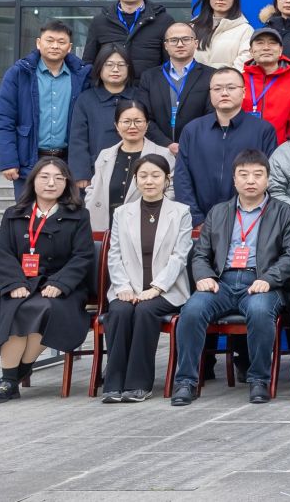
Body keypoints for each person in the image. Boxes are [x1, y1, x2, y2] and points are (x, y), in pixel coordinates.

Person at [169, 149, 290, 405]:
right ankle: (186, 381)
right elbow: (200, 253)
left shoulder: (285, 213)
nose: (250, 180)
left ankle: (259, 380)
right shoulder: (218, 212)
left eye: (257, 175)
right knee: (192, 310)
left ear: (267, 179)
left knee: (260, 311)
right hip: (222, 282)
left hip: (263, 283)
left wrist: (269, 279)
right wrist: (204, 276)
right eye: (243, 175)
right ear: (234, 180)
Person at [0, 159, 95, 404]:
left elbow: (83, 255)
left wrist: (61, 283)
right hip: (22, 283)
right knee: (15, 309)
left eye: (58, 178)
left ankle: (12, 377)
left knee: (43, 309)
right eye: (44, 177)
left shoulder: (78, 215)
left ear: (66, 183)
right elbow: (3, 251)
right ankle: (11, 378)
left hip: (62, 288)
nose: (51, 183)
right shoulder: (14, 214)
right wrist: (14, 283)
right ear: (33, 181)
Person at [98, 153, 191, 402]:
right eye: (143, 176)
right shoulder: (122, 213)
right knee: (119, 311)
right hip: (127, 288)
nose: (149, 181)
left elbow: (179, 256)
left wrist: (156, 288)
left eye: (155, 175)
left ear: (167, 179)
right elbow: (114, 254)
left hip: (167, 290)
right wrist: (123, 286)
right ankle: (113, 384)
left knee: (144, 310)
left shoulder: (181, 212)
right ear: (136, 179)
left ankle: (139, 384)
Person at [0, 22, 90, 197]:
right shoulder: (19, 73)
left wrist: (84, 166)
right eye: (50, 40)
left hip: (69, 161)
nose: (55, 46)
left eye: (61, 42)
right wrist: (8, 160)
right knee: (28, 212)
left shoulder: (82, 76)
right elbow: (4, 120)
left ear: (69, 47)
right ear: (39, 43)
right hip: (29, 160)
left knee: (70, 212)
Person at [172, 67, 277, 224]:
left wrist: (251, 217)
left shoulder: (263, 130)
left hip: (249, 221)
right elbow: (182, 178)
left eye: (231, 87)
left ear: (244, 92)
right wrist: (196, 219)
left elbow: (270, 177)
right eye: (217, 89)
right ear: (210, 93)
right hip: (201, 222)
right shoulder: (192, 130)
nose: (224, 93)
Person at [83, 100, 171, 233]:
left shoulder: (164, 154)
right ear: (116, 125)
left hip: (146, 228)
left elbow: (170, 190)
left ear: (147, 124)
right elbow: (94, 188)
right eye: (126, 121)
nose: (132, 126)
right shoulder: (105, 155)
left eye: (138, 121)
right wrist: (90, 203)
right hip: (105, 228)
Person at [83, 0, 173, 79]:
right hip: (109, 89)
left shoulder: (163, 21)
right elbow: (88, 63)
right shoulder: (100, 21)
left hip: (148, 89)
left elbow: (170, 64)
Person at [69, 44, 134, 187]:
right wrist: (81, 173)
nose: (115, 69)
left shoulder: (139, 97)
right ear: (99, 68)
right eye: (109, 65)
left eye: (121, 65)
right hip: (96, 171)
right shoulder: (86, 99)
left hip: (135, 171)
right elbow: (78, 139)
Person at [138, 22, 211, 149]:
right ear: (166, 45)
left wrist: (190, 144)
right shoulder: (149, 77)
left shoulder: (211, 76)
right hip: (158, 149)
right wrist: (166, 144)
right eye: (173, 40)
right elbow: (144, 117)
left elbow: (212, 115)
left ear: (196, 43)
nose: (180, 44)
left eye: (186, 39)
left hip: (198, 147)